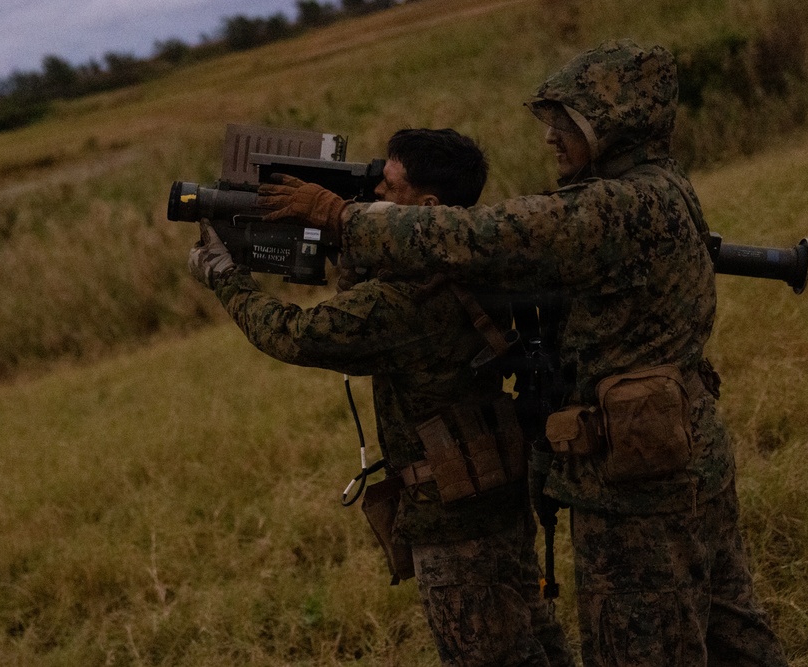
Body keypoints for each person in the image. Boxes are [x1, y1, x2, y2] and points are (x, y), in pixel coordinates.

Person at [256, 41, 789, 666]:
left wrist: (344, 218)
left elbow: (480, 237)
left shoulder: (609, 208)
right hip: (686, 449)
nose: (551, 138)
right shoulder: (663, 188)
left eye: (569, 122)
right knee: (732, 633)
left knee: (640, 649)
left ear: (614, 123)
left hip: (634, 485)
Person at [189, 128, 576, 667]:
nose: (371, 201)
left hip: (451, 522)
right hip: (498, 495)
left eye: (389, 190)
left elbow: (295, 335)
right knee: (537, 644)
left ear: (428, 206)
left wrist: (226, 277)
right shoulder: (474, 258)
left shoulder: (404, 302)